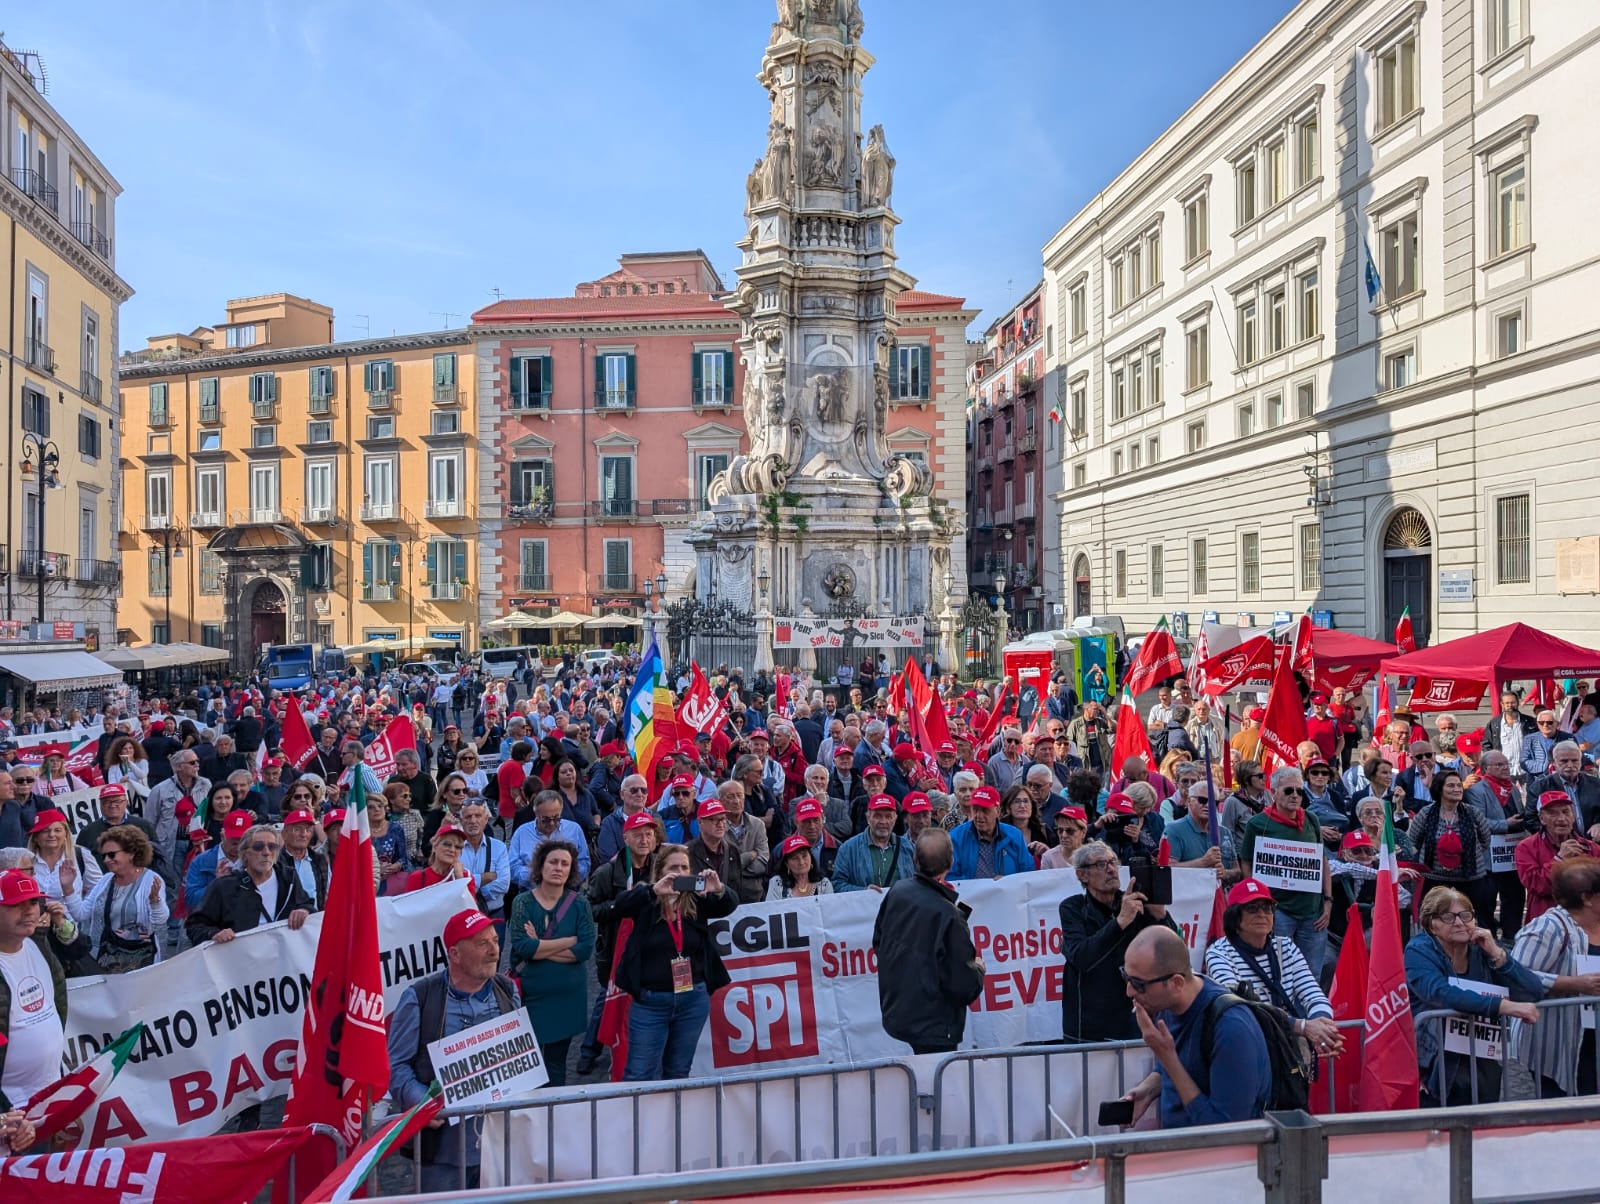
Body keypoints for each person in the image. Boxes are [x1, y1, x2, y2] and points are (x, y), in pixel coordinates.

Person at [387, 909, 520, 1191]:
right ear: (455, 954)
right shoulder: (420, 998)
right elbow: (395, 1067)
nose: (494, 951)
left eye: (495, 941)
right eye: (482, 943)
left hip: (500, 1146)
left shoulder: (508, 990)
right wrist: (423, 1102)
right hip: (442, 1154)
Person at [1119, 926, 1272, 1128]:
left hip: (1221, 1156)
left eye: (1138, 984)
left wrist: (1168, 1058)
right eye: (1125, 977)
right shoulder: (1165, 1003)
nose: (1129, 991)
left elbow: (1227, 1132)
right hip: (1179, 1152)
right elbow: (1185, 1066)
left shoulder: (1232, 1028)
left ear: (1176, 983)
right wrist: (1149, 1088)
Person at [1405, 885, 1543, 1107]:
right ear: (1431, 923)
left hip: (1480, 1059)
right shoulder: (1419, 950)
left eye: (1466, 915)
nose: (1460, 923)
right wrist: (1503, 1006)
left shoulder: (1481, 948)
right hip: (1434, 1060)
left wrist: (1498, 955)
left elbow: (1533, 990)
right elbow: (1440, 993)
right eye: (1448, 917)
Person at [611, 845, 735, 1080]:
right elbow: (620, 906)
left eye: (684, 867)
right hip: (650, 1002)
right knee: (639, 1074)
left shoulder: (696, 901)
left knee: (678, 1072)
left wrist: (719, 889)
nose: (679, 872)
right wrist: (654, 890)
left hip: (692, 999)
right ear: (660, 872)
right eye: (673, 868)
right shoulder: (646, 898)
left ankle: (672, 1117)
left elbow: (729, 904)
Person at [871, 829, 986, 1055]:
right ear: (951, 863)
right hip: (935, 1025)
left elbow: (879, 942)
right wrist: (979, 971)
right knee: (936, 1084)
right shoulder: (949, 916)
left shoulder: (899, 891)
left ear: (915, 860)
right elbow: (963, 985)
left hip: (901, 1011)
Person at [1202, 878, 1343, 1057]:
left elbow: (1313, 994)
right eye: (1252, 908)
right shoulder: (1219, 953)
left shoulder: (1286, 947)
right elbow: (1243, 1008)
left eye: (1267, 908)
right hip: (1247, 1045)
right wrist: (1303, 1027)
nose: (1261, 914)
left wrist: (1324, 1029)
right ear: (1235, 916)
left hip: (1287, 1041)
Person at [1060, 841, 1178, 1042]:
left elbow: (1171, 952)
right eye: (1100, 864)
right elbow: (1081, 957)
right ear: (1082, 875)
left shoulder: (1135, 901)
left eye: (1113, 862)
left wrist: (1160, 916)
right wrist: (1120, 922)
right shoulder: (1073, 908)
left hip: (1134, 1019)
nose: (1111, 869)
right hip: (1089, 1028)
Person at [509, 839, 596, 1087]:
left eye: (565, 863)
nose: (558, 867)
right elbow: (523, 947)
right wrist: (568, 940)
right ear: (541, 865)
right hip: (532, 997)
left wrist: (540, 947)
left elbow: (584, 950)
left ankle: (555, 1115)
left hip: (568, 998)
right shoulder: (522, 903)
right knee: (529, 1063)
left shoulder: (579, 904)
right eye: (553, 862)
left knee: (557, 1064)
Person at [1511, 857, 1600, 1098]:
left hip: (1595, 1037)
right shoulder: (1548, 928)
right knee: (1567, 1113)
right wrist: (1573, 984)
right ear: (1587, 898)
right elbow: (1515, 976)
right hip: (1560, 1041)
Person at [1239, 767, 1332, 980]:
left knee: (1310, 976)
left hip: (1313, 912)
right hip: (1278, 911)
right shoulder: (1258, 824)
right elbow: (1246, 861)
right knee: (1278, 973)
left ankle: (1309, 1014)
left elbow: (1323, 861)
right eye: (1289, 791)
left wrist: (1328, 902)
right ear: (1274, 792)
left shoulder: (1311, 820)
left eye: (1300, 792)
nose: (1295, 796)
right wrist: (1256, 901)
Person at [0, 869, 65, 1131]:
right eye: (16, 904)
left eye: (33, 902)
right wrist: (5, 1112)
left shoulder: (39, 944)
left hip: (49, 1098)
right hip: (11, 1117)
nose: (29, 911)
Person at [185, 824, 312, 945]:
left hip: (281, 958)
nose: (266, 852)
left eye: (272, 846)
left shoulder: (289, 878)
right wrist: (213, 934)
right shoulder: (224, 886)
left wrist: (304, 910)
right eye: (258, 847)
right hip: (242, 960)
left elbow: (308, 905)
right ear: (245, 853)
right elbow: (195, 925)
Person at [1410, 768, 1495, 929]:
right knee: (1435, 922)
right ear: (1439, 789)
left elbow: (1485, 841)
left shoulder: (1473, 813)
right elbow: (1414, 841)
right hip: (1433, 879)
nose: (1457, 789)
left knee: (1471, 923)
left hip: (1470, 879)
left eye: (1458, 785)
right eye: (1451, 786)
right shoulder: (1426, 814)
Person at [83, 825, 169, 971]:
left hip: (141, 960)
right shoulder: (105, 880)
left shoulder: (151, 880)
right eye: (103, 856)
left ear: (131, 853)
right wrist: (68, 889)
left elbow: (160, 920)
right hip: (107, 959)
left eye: (111, 855)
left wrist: (155, 901)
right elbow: (82, 912)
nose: (106, 860)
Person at [1516, 791, 1600, 921]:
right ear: (1542, 819)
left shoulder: (1591, 848)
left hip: (1587, 923)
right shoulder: (1526, 847)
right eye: (1553, 813)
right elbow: (1535, 885)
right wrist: (1559, 860)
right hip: (1546, 922)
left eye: (1566, 812)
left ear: (1573, 816)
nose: (1561, 818)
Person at [28, 808, 100, 926]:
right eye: (45, 831)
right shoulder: (26, 861)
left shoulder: (80, 855)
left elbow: (98, 891)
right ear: (35, 837)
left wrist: (79, 908)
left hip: (73, 927)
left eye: (57, 830)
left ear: (66, 834)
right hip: (34, 929)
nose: (52, 835)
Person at [948, 785, 1032, 881]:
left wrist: (1008, 881)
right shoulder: (956, 837)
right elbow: (950, 876)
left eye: (985, 810)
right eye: (975, 809)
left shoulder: (1014, 836)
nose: (979, 815)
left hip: (1009, 894)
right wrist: (979, 886)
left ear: (998, 811)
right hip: (969, 895)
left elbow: (1028, 872)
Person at [404, 823, 473, 892]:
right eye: (447, 844)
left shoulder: (466, 877)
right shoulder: (417, 877)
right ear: (434, 847)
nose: (452, 850)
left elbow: (469, 902)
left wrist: (460, 879)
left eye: (458, 847)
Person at [767, 833, 834, 900]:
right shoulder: (777, 883)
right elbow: (772, 909)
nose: (801, 862)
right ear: (786, 863)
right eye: (794, 858)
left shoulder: (824, 884)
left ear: (811, 857)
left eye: (804, 856)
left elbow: (830, 909)